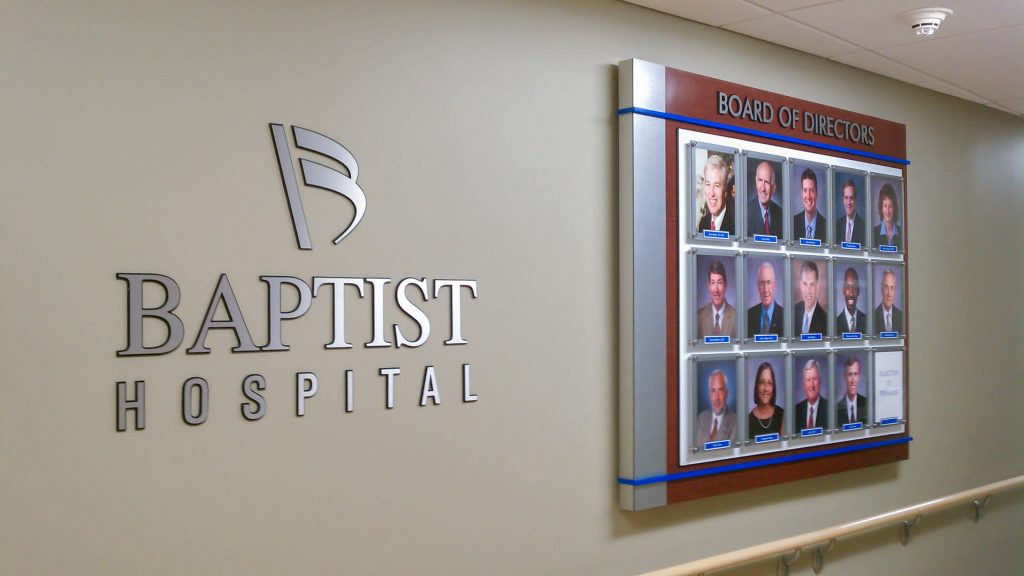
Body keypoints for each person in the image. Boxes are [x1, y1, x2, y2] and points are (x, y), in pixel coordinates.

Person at [695, 370, 737, 446]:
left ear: (727, 393)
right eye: (713, 390)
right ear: (709, 394)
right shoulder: (701, 418)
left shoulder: (736, 422)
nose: (717, 397)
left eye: (720, 390)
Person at [697, 260, 736, 338]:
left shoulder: (736, 317)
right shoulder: (699, 317)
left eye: (719, 282)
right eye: (713, 282)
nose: (716, 290)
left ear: (725, 285)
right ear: (709, 286)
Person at [697, 155, 735, 234]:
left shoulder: (735, 225)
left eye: (717, 185)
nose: (711, 193)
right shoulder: (703, 223)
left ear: (725, 190)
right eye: (708, 184)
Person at [746, 161, 783, 238]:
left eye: (767, 182)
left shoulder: (781, 215)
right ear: (756, 182)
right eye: (760, 180)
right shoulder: (745, 214)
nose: (763, 188)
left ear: (773, 188)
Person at [746, 262, 784, 337]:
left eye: (769, 283)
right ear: (757, 287)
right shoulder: (749, 315)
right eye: (762, 283)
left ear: (774, 286)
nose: (765, 290)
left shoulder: (784, 316)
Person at [748, 362, 784, 439]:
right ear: (757, 386)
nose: (766, 388)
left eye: (770, 383)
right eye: (762, 382)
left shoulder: (782, 415)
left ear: (773, 387)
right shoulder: (748, 420)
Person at [793, 260, 826, 336]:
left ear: (817, 286)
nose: (808, 291)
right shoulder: (794, 311)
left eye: (812, 284)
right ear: (800, 284)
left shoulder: (825, 320)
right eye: (805, 284)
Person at [792, 168, 827, 241]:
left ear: (817, 193)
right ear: (802, 193)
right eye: (805, 190)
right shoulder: (793, 223)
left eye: (811, 191)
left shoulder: (826, 226)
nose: (808, 196)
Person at [794, 359, 827, 432]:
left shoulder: (830, 409)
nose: (811, 385)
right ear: (804, 384)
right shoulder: (796, 411)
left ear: (820, 381)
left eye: (814, 379)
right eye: (808, 380)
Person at [836, 356, 868, 426]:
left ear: (859, 376)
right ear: (845, 377)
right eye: (850, 374)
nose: (853, 380)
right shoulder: (837, 408)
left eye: (856, 374)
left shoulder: (867, 404)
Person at [834, 179, 866, 245]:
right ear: (843, 199)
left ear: (855, 199)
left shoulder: (864, 227)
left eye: (851, 198)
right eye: (846, 198)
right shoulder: (837, 225)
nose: (848, 202)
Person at [836, 267, 867, 334]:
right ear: (843, 291)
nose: (851, 293)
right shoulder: (835, 323)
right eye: (848, 287)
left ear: (858, 291)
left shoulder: (866, 321)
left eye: (854, 288)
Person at [874, 269, 904, 334]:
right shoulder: (873, 317)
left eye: (892, 288)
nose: (889, 294)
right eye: (886, 287)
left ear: (894, 291)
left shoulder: (901, 316)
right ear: (882, 290)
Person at [874, 183, 902, 249]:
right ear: (881, 208)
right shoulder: (874, 233)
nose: (887, 211)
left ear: (894, 207)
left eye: (890, 206)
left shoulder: (901, 233)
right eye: (885, 206)